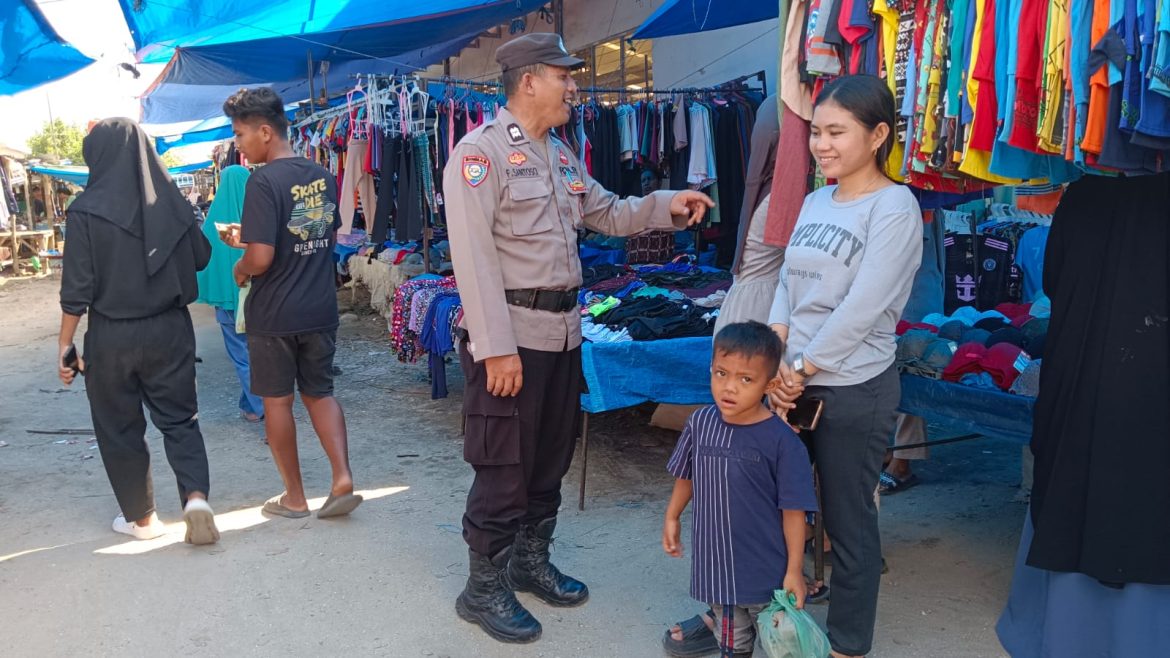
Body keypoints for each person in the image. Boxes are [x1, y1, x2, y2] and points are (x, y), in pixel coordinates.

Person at [443, 32, 715, 644]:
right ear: (528, 81)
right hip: (512, 338)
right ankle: (481, 588)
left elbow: (609, 212)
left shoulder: (559, 154)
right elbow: (473, 257)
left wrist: (667, 203)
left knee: (549, 457)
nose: (574, 85)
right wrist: (495, 348)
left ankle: (529, 561)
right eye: (563, 75)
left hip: (564, 334)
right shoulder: (477, 155)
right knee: (504, 463)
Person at [767, 75, 923, 658]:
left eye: (837, 132)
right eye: (817, 132)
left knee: (847, 524)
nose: (821, 145)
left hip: (854, 389)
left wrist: (800, 369)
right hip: (790, 380)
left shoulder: (895, 206)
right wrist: (777, 356)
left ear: (878, 134)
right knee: (771, 504)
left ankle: (847, 646)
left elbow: (866, 305)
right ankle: (758, 614)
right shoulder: (814, 199)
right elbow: (786, 282)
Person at [996, 171, 1170, 656]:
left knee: (1078, 480)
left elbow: (1056, 281)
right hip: (1144, 397)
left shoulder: (1086, 195)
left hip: (1085, 388)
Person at [57, 117, 219, 545]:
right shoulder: (174, 205)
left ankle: (142, 520)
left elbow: (76, 289)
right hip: (169, 329)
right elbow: (201, 258)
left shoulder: (84, 211)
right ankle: (196, 499)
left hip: (111, 336)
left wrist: (65, 344)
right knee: (181, 420)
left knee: (119, 426)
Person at [221, 87, 361, 520]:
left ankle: (295, 497)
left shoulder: (262, 180)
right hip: (319, 308)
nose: (238, 145)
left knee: (277, 402)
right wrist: (250, 238)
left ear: (265, 132)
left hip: (276, 314)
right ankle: (341, 478)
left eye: (241, 134)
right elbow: (310, 232)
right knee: (320, 394)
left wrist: (241, 268)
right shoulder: (322, 173)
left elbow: (262, 258)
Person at [662, 321, 819, 656]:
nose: (729, 388)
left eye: (745, 379)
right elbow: (686, 474)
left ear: (770, 384)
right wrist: (672, 516)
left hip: (767, 571)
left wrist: (794, 570)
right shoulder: (701, 423)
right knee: (732, 645)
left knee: (782, 643)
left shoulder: (783, 443)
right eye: (721, 373)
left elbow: (794, 512)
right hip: (716, 566)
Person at [194, 165, 265, 423]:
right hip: (261, 301)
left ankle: (260, 408)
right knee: (259, 353)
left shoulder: (213, 225)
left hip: (227, 303)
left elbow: (201, 264)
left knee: (242, 355)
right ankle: (250, 405)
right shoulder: (262, 218)